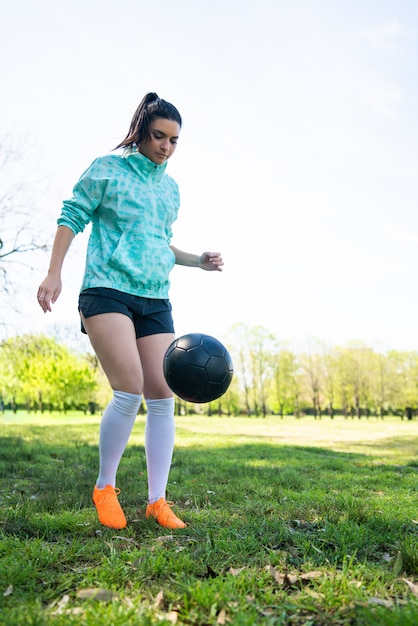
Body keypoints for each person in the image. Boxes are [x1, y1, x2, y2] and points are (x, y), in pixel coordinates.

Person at [37, 93, 223, 530]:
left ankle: (157, 501)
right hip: (106, 290)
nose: (166, 147)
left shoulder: (170, 189)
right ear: (141, 131)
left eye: (175, 141)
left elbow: (158, 243)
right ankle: (105, 487)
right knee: (129, 389)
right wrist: (53, 273)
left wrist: (197, 260)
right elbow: (71, 216)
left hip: (154, 297)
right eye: (159, 137)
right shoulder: (108, 169)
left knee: (162, 395)